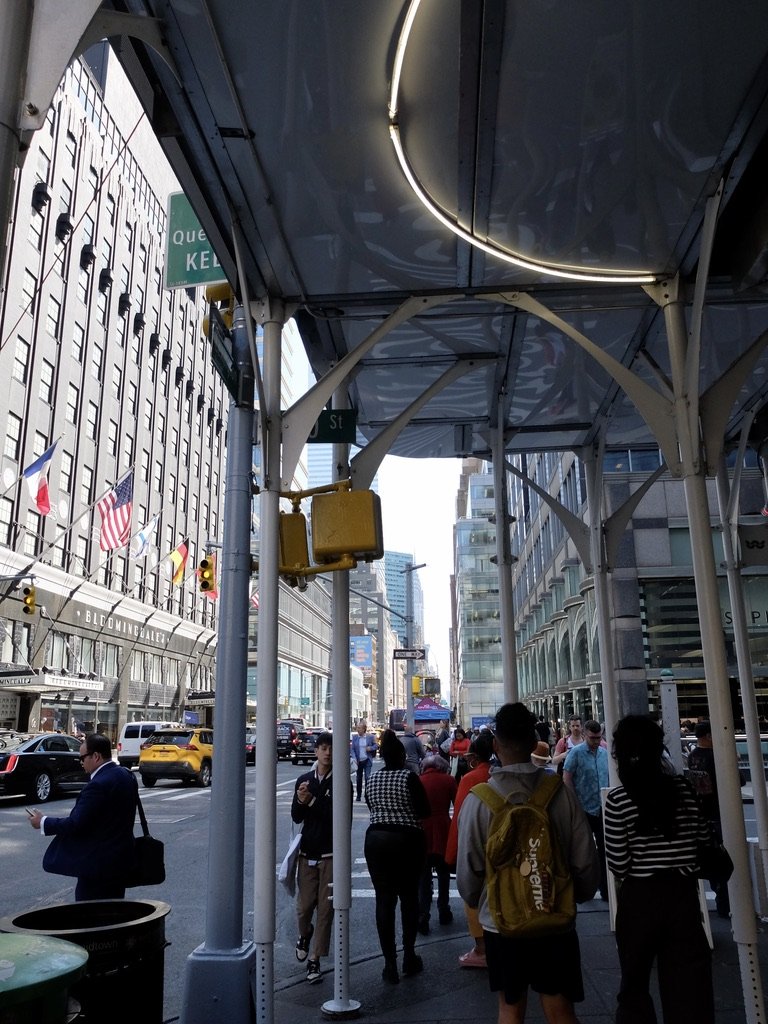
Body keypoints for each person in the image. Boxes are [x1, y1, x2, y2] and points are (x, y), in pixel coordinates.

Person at [457, 703, 599, 1024]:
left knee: (510, 1007)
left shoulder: (479, 800)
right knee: (560, 1006)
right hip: (555, 918)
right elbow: (585, 859)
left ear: (495, 744)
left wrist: (481, 903)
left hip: (501, 923)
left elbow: (468, 874)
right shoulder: (559, 793)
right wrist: (574, 896)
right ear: (535, 743)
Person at [604, 715, 715, 1023]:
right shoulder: (685, 790)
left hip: (639, 898)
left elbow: (618, 862)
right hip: (682, 896)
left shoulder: (618, 800)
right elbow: (702, 842)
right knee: (689, 988)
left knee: (634, 984)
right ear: (659, 749)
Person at [28, 732, 137, 901]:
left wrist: (42, 822)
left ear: (96, 756)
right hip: (120, 861)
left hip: (97, 867)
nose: (81, 763)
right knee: (114, 914)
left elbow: (76, 824)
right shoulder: (126, 776)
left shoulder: (97, 785)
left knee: (89, 916)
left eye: (82, 758)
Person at [364, 728, 430, 984]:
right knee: (409, 897)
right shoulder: (409, 778)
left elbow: (371, 806)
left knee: (384, 900)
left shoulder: (373, 780)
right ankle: (409, 955)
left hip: (376, 840)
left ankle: (389, 963)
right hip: (407, 840)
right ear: (402, 756)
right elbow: (424, 810)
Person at [292, 731, 346, 985]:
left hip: (331, 854)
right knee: (304, 908)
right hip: (306, 854)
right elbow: (296, 817)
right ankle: (304, 934)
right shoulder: (304, 780)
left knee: (326, 910)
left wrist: (311, 801)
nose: (326, 752)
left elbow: (337, 816)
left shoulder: (342, 782)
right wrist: (302, 800)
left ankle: (315, 958)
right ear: (315, 751)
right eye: (322, 748)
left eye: (330, 748)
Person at [445, 729, 495, 968]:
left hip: (477, 845)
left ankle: (482, 948)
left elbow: (460, 820)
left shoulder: (470, 779)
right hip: (503, 847)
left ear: (474, 757)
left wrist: (453, 853)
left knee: (473, 896)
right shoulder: (497, 774)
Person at [686, 720, 729, 916]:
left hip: (702, 811)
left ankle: (719, 892)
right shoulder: (717, 756)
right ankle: (725, 900)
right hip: (720, 809)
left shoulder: (693, 757)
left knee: (710, 852)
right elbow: (737, 779)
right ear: (709, 736)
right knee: (725, 853)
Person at [563, 720, 610, 900]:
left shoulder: (604, 754)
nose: (596, 741)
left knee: (604, 849)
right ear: (585, 734)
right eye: (592, 738)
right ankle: (582, 888)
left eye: (598, 738)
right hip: (583, 808)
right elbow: (566, 778)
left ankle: (606, 889)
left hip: (601, 808)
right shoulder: (575, 753)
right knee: (583, 851)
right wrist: (574, 804)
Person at [417, 753, 456, 934]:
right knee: (443, 873)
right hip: (443, 828)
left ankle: (423, 914)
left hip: (423, 829)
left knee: (423, 877)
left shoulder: (419, 780)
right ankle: (443, 909)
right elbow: (457, 804)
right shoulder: (448, 780)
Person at [351, 721, 377, 802]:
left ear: (364, 729)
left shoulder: (370, 737)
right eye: (357, 728)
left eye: (359, 728)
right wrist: (354, 758)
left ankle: (367, 796)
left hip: (367, 760)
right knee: (358, 779)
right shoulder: (355, 737)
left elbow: (376, 745)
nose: (357, 729)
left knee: (367, 778)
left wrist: (371, 748)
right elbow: (352, 749)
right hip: (358, 761)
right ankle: (358, 795)